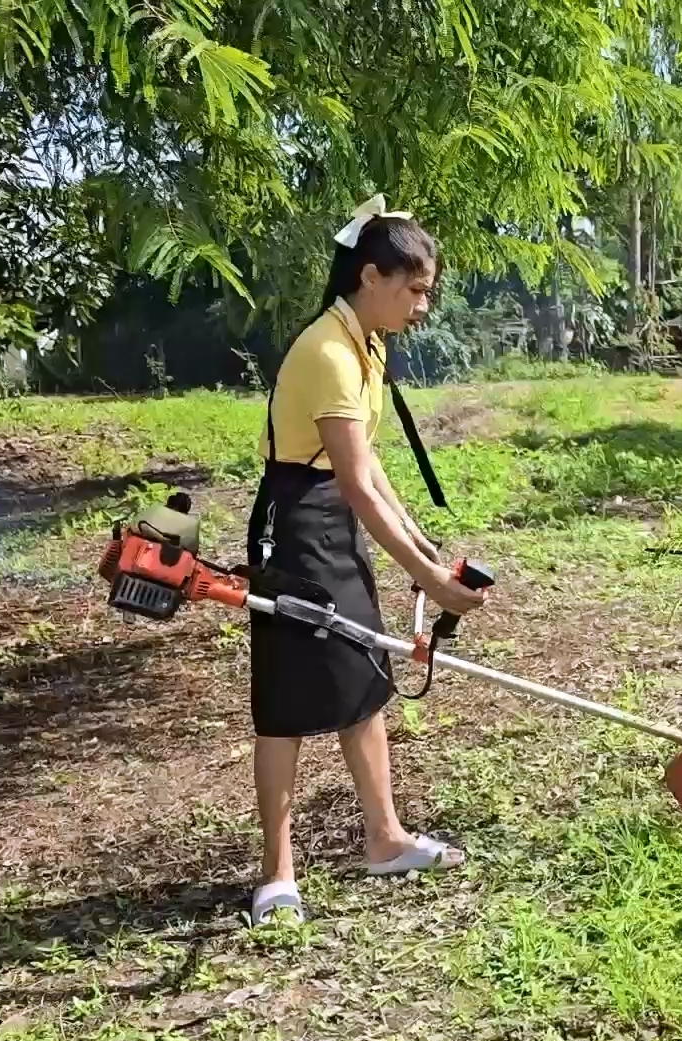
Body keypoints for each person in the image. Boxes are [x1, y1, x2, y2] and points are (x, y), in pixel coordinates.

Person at [245, 195, 486, 924]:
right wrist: (430, 583)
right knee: (284, 708)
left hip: (336, 522)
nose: (421, 307)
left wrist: (420, 545)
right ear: (372, 277)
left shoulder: (365, 346)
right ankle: (275, 875)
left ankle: (384, 839)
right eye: (415, 291)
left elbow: (369, 466)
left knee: (364, 677)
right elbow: (349, 478)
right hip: (294, 528)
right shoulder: (325, 351)